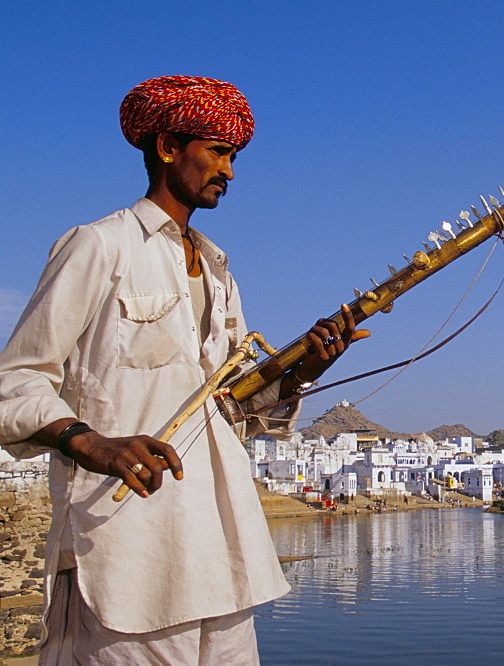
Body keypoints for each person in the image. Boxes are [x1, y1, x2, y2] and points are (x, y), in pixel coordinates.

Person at [0, 75, 367, 663]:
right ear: (169, 147)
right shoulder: (99, 246)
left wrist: (300, 373)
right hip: (124, 551)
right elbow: (15, 382)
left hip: (219, 552)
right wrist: (92, 444)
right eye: (218, 152)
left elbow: (233, 410)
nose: (229, 170)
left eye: (234, 156)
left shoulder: (220, 270)